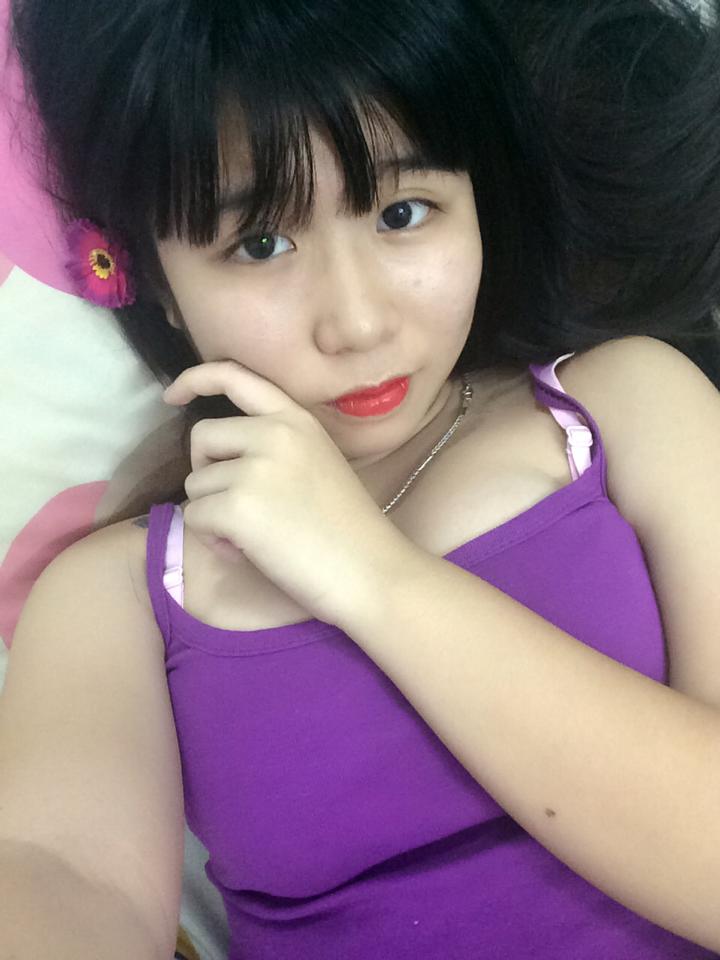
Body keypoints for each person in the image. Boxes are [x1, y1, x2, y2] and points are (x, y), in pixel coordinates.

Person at [3, 0, 720, 957]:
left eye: (402, 212)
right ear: (163, 286)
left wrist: (368, 570)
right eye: (260, 244)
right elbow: (60, 871)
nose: (357, 322)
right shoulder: (115, 592)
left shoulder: (627, 407)